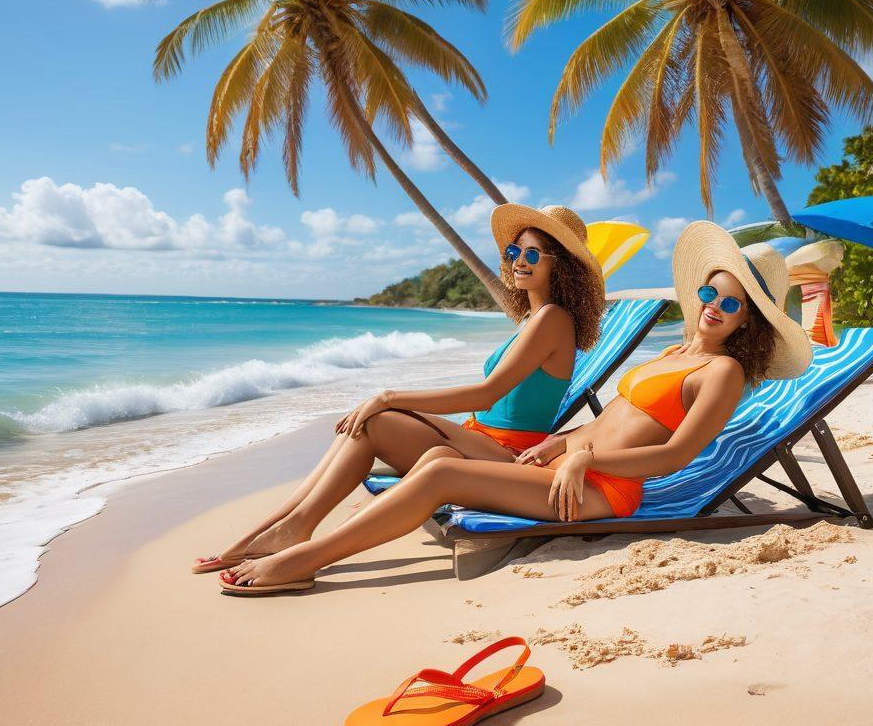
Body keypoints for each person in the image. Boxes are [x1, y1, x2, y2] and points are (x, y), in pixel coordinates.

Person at [219, 220, 814, 593]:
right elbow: (610, 422)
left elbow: (676, 454)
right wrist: (563, 443)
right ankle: (300, 542)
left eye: (729, 304)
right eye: (709, 292)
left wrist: (586, 463)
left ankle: (304, 559)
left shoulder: (724, 371)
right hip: (566, 468)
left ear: (750, 322)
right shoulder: (675, 354)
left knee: (443, 469)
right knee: (431, 466)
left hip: (601, 491)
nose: (712, 305)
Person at [191, 204, 606, 574]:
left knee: (376, 420)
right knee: (363, 424)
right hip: (481, 441)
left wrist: (388, 396)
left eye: (532, 254)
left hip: (510, 454)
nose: (518, 261)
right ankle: (279, 528)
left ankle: (293, 530)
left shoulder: (553, 318)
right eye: (513, 252)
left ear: (561, 266)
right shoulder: (533, 320)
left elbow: (486, 395)